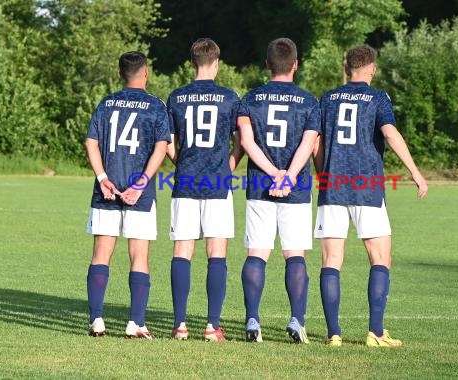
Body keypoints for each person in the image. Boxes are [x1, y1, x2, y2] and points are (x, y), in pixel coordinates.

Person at [313, 44, 428, 347]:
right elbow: (389, 133)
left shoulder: (327, 98)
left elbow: (317, 144)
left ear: (346, 67)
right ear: (372, 69)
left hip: (332, 185)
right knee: (380, 257)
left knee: (331, 260)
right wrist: (414, 171)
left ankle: (333, 334)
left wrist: (321, 173)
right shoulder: (378, 98)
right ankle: (375, 332)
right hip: (367, 186)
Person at [238, 37, 320, 343]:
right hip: (295, 189)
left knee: (257, 252)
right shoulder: (310, 101)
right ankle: (297, 320)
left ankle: (252, 319)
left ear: (267, 64)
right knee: (294, 254)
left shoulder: (251, 98)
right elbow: (309, 143)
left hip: (260, 184)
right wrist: (288, 177)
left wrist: (273, 173)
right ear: (295, 65)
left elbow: (247, 142)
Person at [85, 51, 171, 339]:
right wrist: (142, 182)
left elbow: (91, 142)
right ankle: (135, 323)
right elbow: (162, 147)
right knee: (139, 256)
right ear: (145, 72)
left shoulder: (107, 103)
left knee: (101, 254)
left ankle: (97, 320)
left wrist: (103, 178)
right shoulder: (156, 105)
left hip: (106, 190)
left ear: (121, 74)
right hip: (140, 193)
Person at [166, 38, 243, 342]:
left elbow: (169, 144)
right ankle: (212, 326)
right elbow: (240, 142)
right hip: (218, 181)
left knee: (182, 251)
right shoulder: (229, 97)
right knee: (217, 252)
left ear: (192, 62)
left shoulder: (177, 97)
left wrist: (182, 161)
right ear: (217, 62)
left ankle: (180, 326)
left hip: (185, 179)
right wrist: (229, 166)